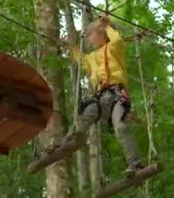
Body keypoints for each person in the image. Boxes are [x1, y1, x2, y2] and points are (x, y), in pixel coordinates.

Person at [58, 16, 143, 177]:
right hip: (101, 98)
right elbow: (82, 61)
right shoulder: (91, 58)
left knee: (120, 127)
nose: (88, 39)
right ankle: (67, 143)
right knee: (85, 115)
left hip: (118, 95)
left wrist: (107, 25)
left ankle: (135, 163)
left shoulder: (114, 48)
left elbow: (117, 40)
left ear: (102, 34)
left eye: (90, 35)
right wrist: (72, 46)